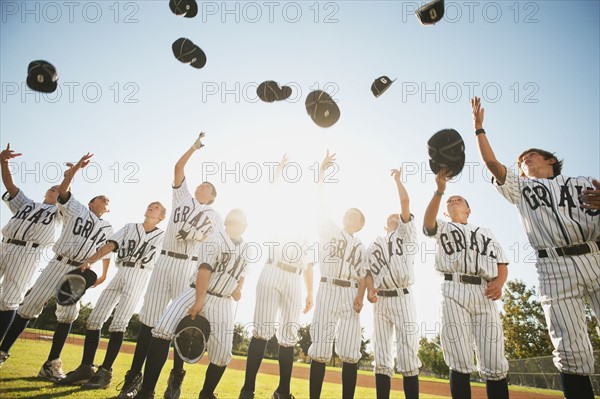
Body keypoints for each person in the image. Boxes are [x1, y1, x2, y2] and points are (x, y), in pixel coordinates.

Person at [471, 96, 600, 399]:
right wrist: (479, 130)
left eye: (530, 157)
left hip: (595, 254)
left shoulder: (585, 182)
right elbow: (494, 166)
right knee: (570, 349)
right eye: (521, 161)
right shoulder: (521, 189)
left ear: (550, 160)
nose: (524, 161)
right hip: (553, 265)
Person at [118, 133, 223, 399]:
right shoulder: (182, 199)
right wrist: (193, 148)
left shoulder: (213, 215)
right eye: (202, 184)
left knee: (180, 322)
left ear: (212, 197)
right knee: (149, 322)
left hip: (188, 267)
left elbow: (217, 245)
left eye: (208, 187)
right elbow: (178, 168)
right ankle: (134, 379)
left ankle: (175, 378)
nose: (202, 187)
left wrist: (198, 237)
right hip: (164, 260)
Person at [0, 152, 113, 382]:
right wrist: (74, 173)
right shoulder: (78, 209)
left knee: (68, 315)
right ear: (91, 202)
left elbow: (108, 248)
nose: (106, 201)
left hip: (77, 271)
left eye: (108, 202)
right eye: (102, 198)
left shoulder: (109, 227)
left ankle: (51, 364)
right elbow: (64, 192)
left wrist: (99, 269)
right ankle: (3, 352)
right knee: (28, 307)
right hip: (58, 262)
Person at [132, 209, 252, 399]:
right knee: (162, 330)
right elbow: (204, 270)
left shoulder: (247, 248)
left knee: (222, 354)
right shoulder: (214, 239)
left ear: (245, 226)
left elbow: (244, 272)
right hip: (195, 291)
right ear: (226, 223)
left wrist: (239, 288)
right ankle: (146, 391)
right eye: (232, 221)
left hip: (223, 301)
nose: (236, 224)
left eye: (240, 222)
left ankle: (206, 394)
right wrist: (198, 302)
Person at [56, 201, 167, 389]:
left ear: (162, 217)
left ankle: (105, 372)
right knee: (93, 319)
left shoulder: (163, 236)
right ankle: (86, 368)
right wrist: (91, 260)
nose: (151, 207)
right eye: (150, 205)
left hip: (140, 275)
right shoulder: (130, 227)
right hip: (120, 271)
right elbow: (110, 245)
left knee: (119, 323)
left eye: (156, 207)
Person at [423, 169, 510, 399]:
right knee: (459, 356)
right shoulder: (443, 227)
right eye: (450, 200)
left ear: (468, 210)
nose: (454, 200)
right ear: (445, 209)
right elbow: (428, 222)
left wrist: (499, 283)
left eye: (458, 199)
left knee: (494, 358)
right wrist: (440, 191)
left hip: (485, 291)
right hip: (453, 288)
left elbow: (502, 263)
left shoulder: (487, 232)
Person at [238, 155, 314, 399]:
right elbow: (271, 195)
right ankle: (248, 389)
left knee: (289, 336)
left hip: (295, 279)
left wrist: (310, 292)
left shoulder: (309, 230)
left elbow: (310, 264)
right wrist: (280, 170)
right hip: (272, 270)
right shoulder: (279, 214)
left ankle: (283, 391)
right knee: (261, 330)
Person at [308, 150, 367, 399]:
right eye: (347, 212)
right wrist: (321, 173)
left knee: (350, 350)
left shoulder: (362, 246)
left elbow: (364, 275)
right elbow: (319, 203)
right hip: (328, 288)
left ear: (360, 224)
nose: (347, 215)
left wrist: (360, 297)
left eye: (352, 215)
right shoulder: (330, 230)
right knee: (320, 346)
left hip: (351, 292)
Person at [0, 144, 62, 363]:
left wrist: (68, 180)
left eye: (60, 189)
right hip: (4, 244)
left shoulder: (60, 213)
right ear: (46, 191)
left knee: (8, 301)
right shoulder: (27, 204)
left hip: (28, 253)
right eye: (53, 187)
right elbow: (10, 184)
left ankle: (0, 351)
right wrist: (4, 162)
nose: (55, 189)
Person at [365, 168, 420, 399]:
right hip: (381, 301)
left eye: (398, 215)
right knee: (382, 354)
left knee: (408, 353)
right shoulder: (375, 242)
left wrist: (398, 180)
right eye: (391, 215)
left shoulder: (406, 235)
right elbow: (367, 271)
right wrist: (369, 290)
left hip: (403, 296)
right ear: (384, 222)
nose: (395, 216)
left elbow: (405, 201)